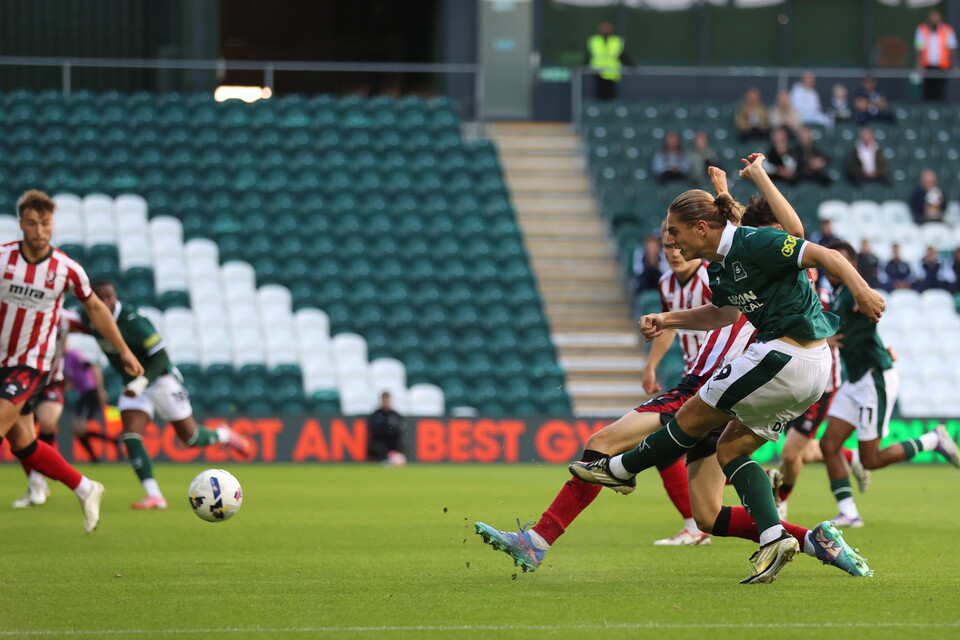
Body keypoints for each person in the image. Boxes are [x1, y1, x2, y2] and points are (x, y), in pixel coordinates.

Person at [569, 154, 885, 583]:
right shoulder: (722, 267)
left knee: (691, 416)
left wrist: (862, 292)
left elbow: (821, 251)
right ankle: (775, 536)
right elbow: (722, 314)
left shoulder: (753, 243)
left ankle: (619, 470)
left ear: (701, 228)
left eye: (675, 232)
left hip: (785, 355)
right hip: (807, 369)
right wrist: (668, 319)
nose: (670, 242)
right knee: (730, 450)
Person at [0, 190, 144, 533]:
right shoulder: (3, 260)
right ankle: (84, 487)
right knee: (23, 443)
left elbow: (96, 309)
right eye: (32, 223)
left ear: (52, 224)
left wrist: (124, 351)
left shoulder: (66, 269)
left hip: (30, 364)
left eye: (45, 223)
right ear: (21, 224)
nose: (39, 230)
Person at [78, 280, 253, 510]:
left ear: (115, 296)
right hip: (133, 385)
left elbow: (161, 357)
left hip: (160, 380)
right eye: (99, 298)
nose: (105, 302)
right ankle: (154, 496)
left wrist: (143, 381)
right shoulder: (88, 316)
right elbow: (68, 321)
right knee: (130, 436)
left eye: (109, 296)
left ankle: (223, 434)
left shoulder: (133, 321)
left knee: (190, 439)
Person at [819, 241, 959, 528]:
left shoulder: (853, 291)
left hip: (873, 378)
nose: (833, 267)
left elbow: (874, 300)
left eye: (840, 261)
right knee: (829, 444)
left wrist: (868, 300)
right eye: (829, 261)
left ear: (852, 265)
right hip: (855, 379)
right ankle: (849, 513)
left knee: (870, 460)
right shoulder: (837, 293)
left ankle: (933, 440)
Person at [10, 310, 112, 508]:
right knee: (20, 438)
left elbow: (98, 324)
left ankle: (42, 481)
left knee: (49, 423)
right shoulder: (19, 313)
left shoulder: (65, 321)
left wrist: (124, 352)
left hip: (53, 383)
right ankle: (38, 485)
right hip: (21, 378)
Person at [915, 10, 958, 102]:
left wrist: (956, 66)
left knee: (940, 91)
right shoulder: (922, 29)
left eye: (937, 20)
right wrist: (919, 66)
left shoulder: (947, 30)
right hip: (927, 66)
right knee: (927, 91)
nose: (934, 22)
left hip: (942, 66)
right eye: (932, 20)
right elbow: (919, 49)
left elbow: (952, 49)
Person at [585, 22, 630, 101]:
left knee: (611, 94)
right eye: (603, 29)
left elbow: (622, 55)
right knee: (598, 93)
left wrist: (631, 65)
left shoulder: (616, 41)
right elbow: (587, 55)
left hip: (612, 71)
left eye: (607, 29)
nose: (605, 31)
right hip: (598, 71)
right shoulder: (594, 40)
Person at [367, 391, 406, 466]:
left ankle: (394, 457)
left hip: (392, 443)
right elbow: (373, 429)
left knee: (398, 442)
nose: (386, 402)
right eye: (384, 400)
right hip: (380, 441)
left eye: (387, 400)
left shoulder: (395, 414)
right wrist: (388, 430)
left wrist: (387, 430)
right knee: (377, 446)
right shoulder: (376, 414)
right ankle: (383, 459)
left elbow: (399, 429)